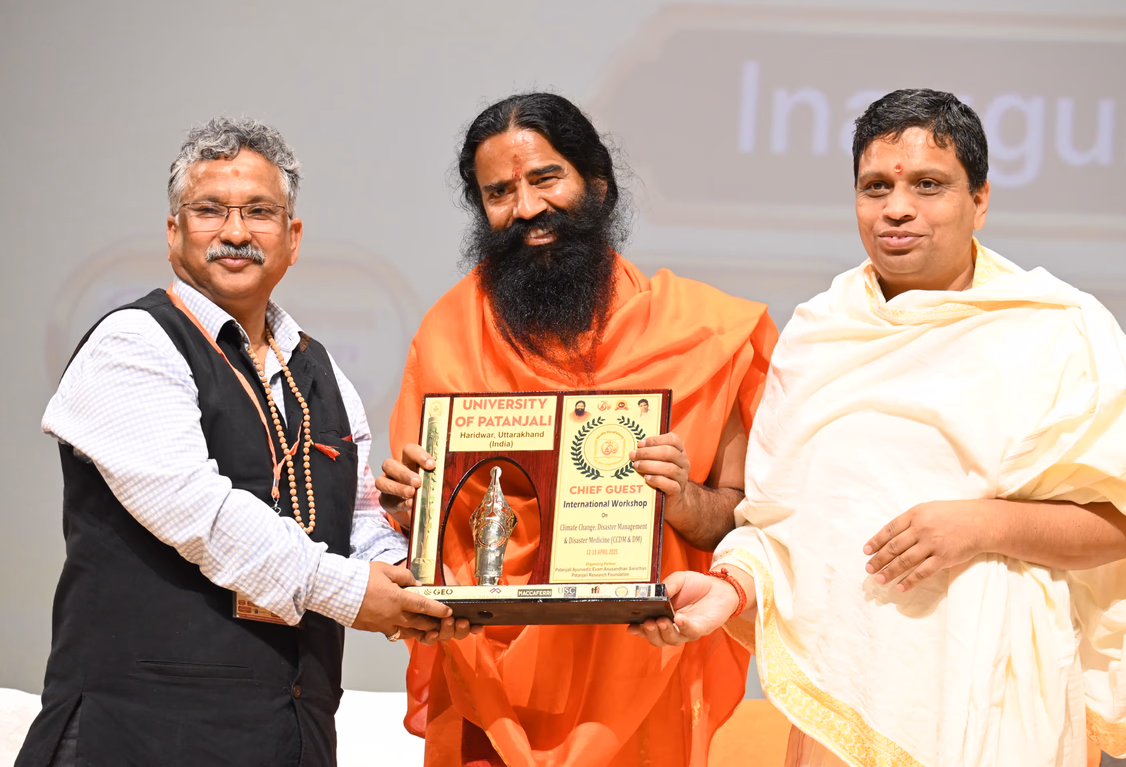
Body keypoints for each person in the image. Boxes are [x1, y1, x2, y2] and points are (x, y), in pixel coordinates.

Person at [634, 89, 1126, 766]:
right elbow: (785, 529)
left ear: (980, 200)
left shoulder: (1057, 329)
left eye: (928, 185)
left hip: (999, 699)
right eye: (876, 187)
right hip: (847, 700)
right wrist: (729, 588)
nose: (897, 208)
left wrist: (983, 525)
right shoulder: (820, 336)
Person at [18, 118, 468, 767]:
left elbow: (357, 521)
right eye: (209, 211)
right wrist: (352, 592)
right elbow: (203, 517)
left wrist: (412, 556)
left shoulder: (321, 371)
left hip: (288, 733)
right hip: (138, 736)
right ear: (174, 233)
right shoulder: (133, 345)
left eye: (259, 212)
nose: (235, 232)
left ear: (292, 238)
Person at [376, 93, 778, 767]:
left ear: (597, 185)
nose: (527, 208)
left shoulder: (707, 336)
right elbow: (427, 526)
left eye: (545, 179)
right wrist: (409, 509)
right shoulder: (448, 334)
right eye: (499, 191)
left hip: (640, 674)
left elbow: (742, 519)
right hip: (486, 684)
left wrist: (680, 499)